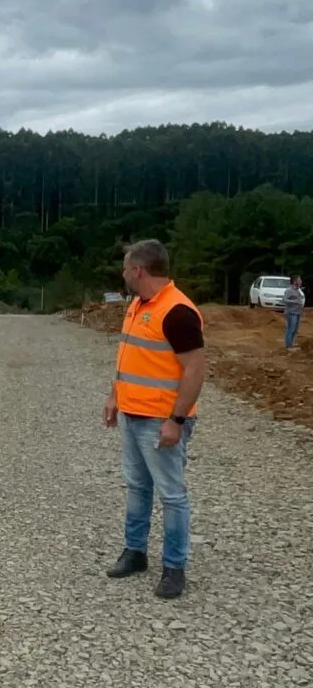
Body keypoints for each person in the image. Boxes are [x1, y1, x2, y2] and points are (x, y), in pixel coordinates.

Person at [102, 238, 206, 599]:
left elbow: (195, 369)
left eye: (126, 267)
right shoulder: (137, 304)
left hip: (160, 420)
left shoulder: (177, 312)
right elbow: (130, 357)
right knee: (136, 487)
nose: (124, 273)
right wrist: (116, 396)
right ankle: (135, 552)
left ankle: (174, 567)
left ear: (139, 270)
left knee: (172, 495)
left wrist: (176, 421)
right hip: (133, 415)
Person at [282, 275, 304, 351]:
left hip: (298, 312)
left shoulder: (298, 290)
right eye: (299, 280)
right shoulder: (289, 290)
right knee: (290, 329)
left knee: (295, 329)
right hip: (291, 312)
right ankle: (288, 346)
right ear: (295, 282)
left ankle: (291, 343)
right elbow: (284, 300)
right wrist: (294, 301)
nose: (301, 281)